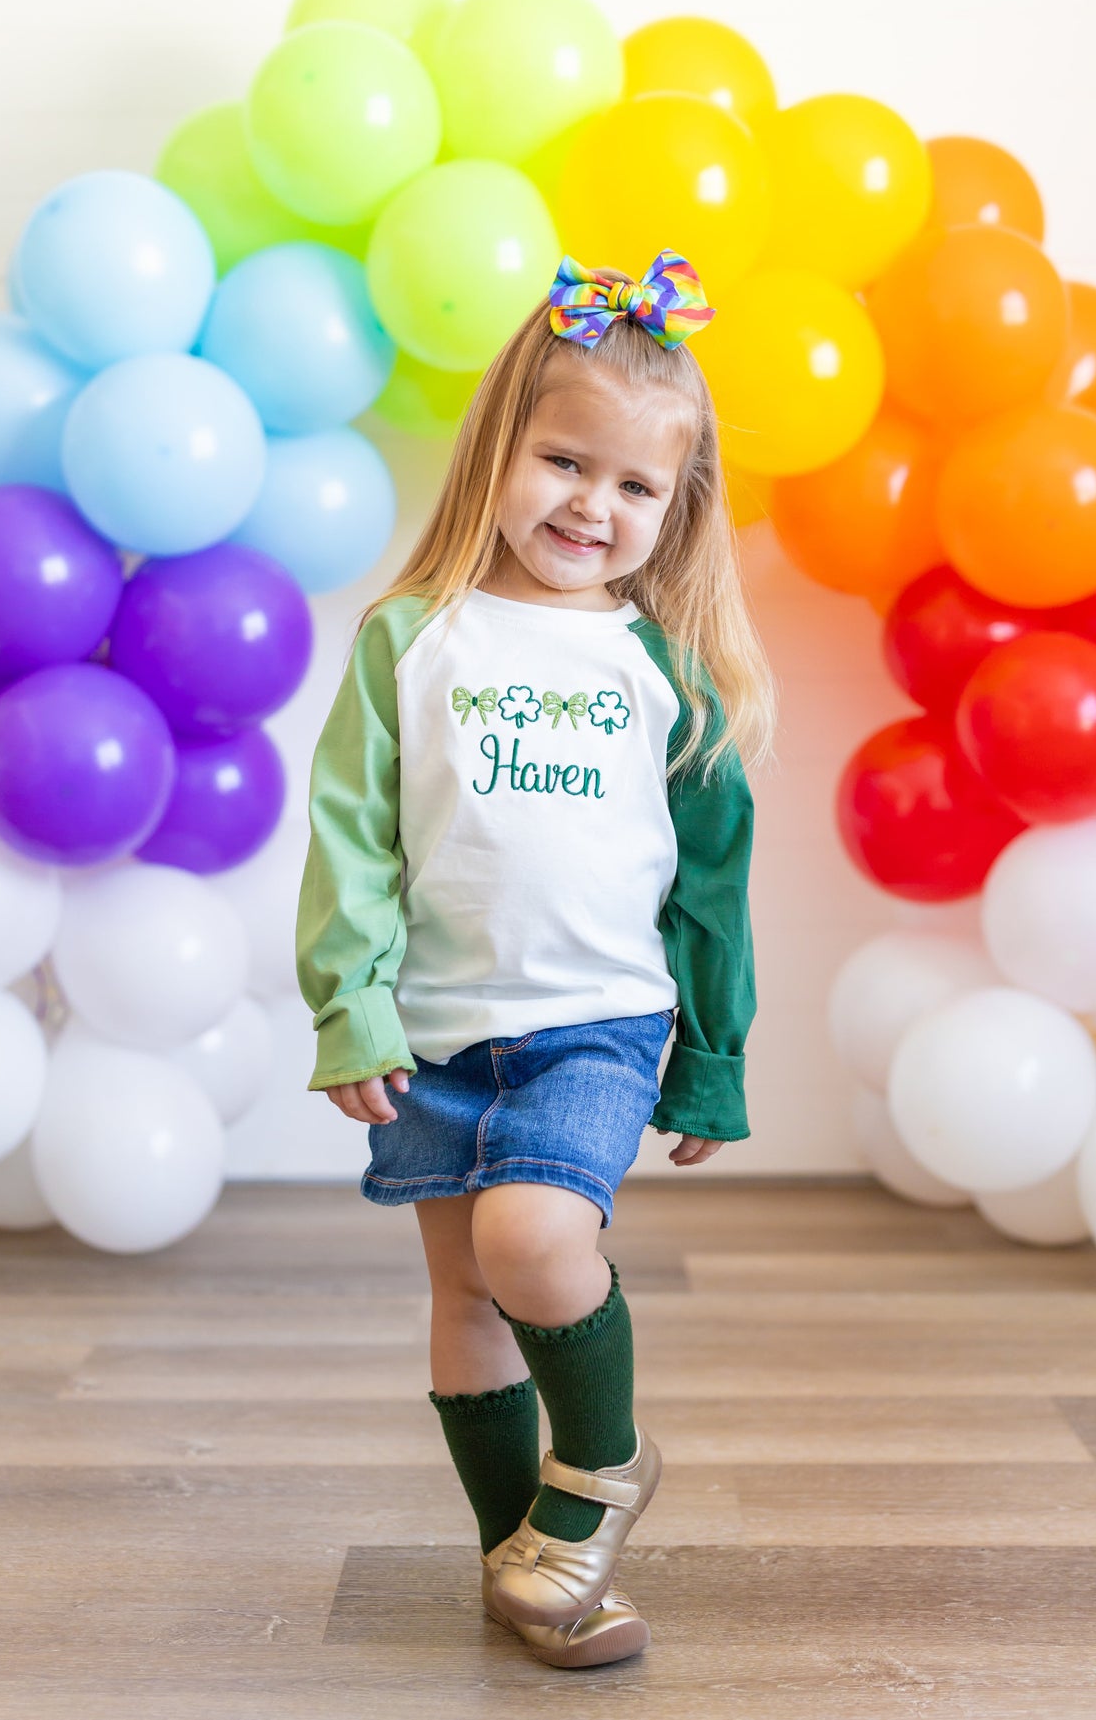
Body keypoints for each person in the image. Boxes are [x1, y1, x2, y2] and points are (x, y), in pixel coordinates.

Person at [295, 247, 778, 1670]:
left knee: (530, 1242)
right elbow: (349, 839)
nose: (593, 504)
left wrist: (711, 1054)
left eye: (635, 485)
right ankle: (533, 1567)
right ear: (499, 447)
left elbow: (711, 888)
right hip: (438, 1030)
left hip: (593, 1026)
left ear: (673, 507)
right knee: (460, 1296)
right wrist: (352, 1006)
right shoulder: (411, 637)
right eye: (565, 460)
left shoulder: (663, 669)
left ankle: (602, 1465)